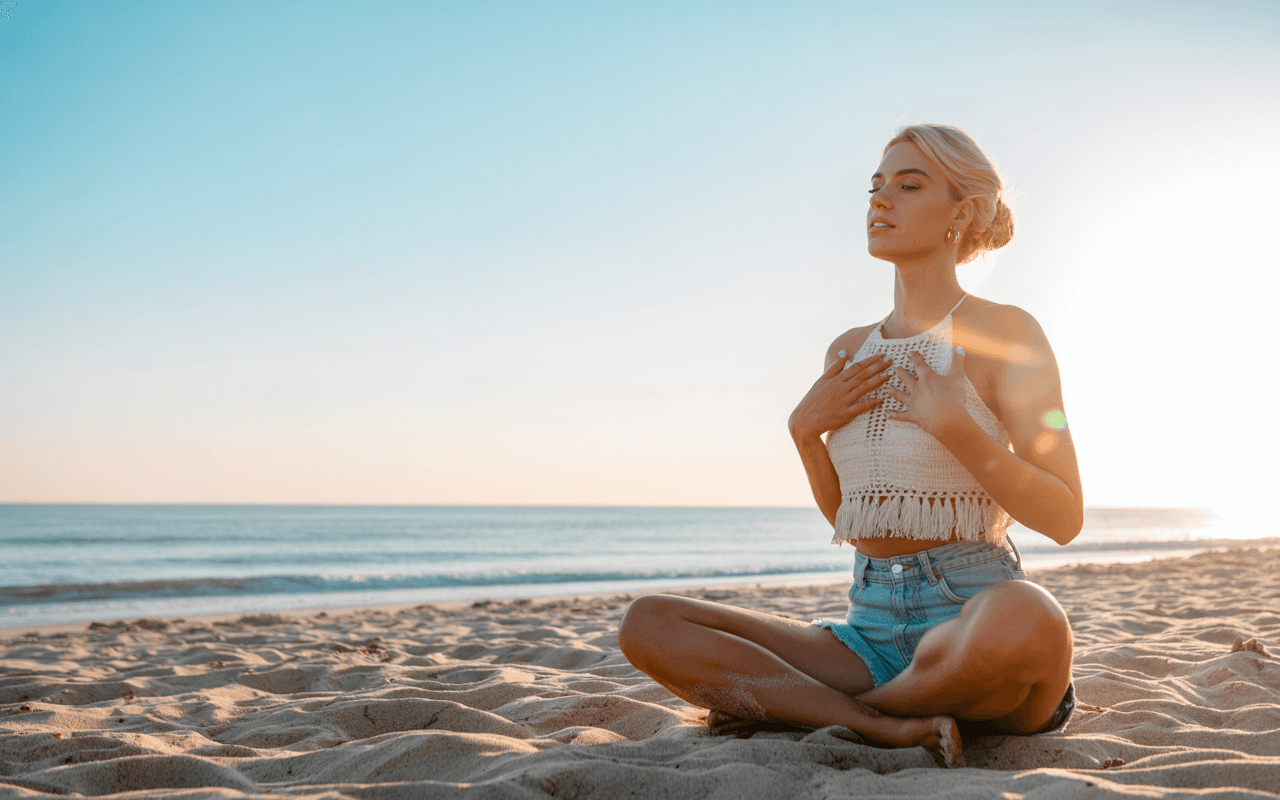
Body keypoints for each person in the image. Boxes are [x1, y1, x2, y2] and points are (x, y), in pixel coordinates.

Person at [616, 124, 1083, 767]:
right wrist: (805, 435)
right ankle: (881, 718)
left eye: (909, 185)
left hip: (973, 618)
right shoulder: (848, 349)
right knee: (650, 622)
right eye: (876, 186)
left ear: (963, 212)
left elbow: (1064, 516)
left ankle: (843, 711)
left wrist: (960, 431)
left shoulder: (1009, 333)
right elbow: (853, 519)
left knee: (1030, 617)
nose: (880, 200)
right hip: (867, 630)